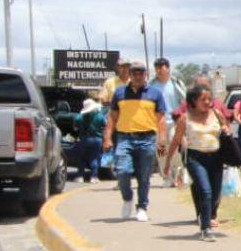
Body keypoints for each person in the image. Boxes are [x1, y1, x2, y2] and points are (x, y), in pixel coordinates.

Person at [102, 60, 167, 221]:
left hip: (147, 138)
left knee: (144, 176)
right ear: (129, 75)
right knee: (122, 171)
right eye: (134, 73)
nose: (137, 76)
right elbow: (112, 118)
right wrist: (107, 138)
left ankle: (142, 206)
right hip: (125, 138)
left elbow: (161, 119)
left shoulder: (155, 94)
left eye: (141, 73)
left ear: (146, 75)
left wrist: (162, 140)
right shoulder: (119, 93)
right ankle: (127, 198)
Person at [164, 85, 230, 241]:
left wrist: (226, 130)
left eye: (209, 98)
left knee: (214, 194)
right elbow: (175, 141)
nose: (208, 102)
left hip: (216, 158)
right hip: (195, 159)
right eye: (203, 99)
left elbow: (225, 127)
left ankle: (207, 215)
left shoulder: (217, 114)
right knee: (205, 191)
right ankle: (206, 228)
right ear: (193, 101)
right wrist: (166, 163)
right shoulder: (185, 118)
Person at [151, 57, 186, 187]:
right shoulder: (151, 85)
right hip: (157, 123)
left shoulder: (176, 83)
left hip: (174, 122)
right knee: (161, 151)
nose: (159, 70)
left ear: (168, 68)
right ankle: (167, 177)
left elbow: (184, 102)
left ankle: (178, 175)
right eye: (157, 68)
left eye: (161, 67)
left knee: (174, 149)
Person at [73, 98, 106, 183]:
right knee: (94, 158)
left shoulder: (79, 117)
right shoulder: (100, 116)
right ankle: (93, 177)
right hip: (97, 139)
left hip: (84, 139)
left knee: (82, 158)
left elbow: (75, 128)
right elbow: (105, 126)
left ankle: (80, 176)